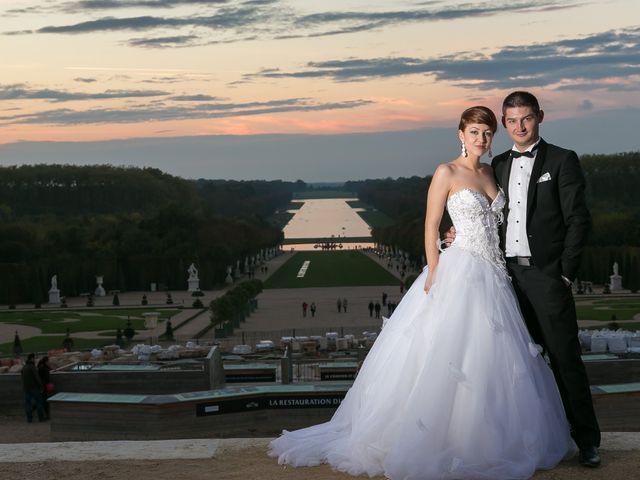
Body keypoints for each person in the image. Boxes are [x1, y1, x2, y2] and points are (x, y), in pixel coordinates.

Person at [269, 106, 573, 479]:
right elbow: (431, 227)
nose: (481, 139)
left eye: (487, 133)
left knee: (494, 357)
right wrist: (435, 271)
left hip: (495, 274)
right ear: (460, 133)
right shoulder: (446, 172)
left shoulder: (492, 171)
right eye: (475, 131)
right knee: (448, 353)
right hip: (459, 270)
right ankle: (445, 438)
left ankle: (482, 436)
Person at [492, 91, 600, 466]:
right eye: (511, 121)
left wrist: (566, 274)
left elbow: (578, 220)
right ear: (503, 123)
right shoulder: (498, 162)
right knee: (519, 362)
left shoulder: (562, 160)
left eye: (526, 118)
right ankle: (537, 438)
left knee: (564, 357)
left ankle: (587, 439)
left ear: (539, 117)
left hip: (547, 276)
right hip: (506, 278)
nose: (519, 127)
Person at [21, 353, 45, 423]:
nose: (35, 360)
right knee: (39, 402)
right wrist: (41, 386)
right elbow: (37, 378)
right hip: (34, 388)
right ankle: (41, 418)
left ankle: (29, 419)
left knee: (28, 404)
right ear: (31, 358)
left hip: (26, 388)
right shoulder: (32, 367)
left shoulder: (24, 367)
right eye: (34, 358)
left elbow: (22, 378)